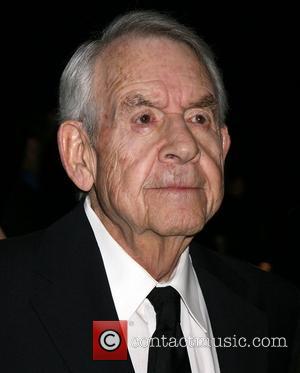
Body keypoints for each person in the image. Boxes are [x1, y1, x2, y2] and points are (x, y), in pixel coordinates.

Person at [0, 10, 299, 373]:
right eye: (145, 118)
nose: (185, 145)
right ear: (81, 154)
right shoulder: (9, 297)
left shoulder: (276, 310)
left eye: (199, 118)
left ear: (222, 145)